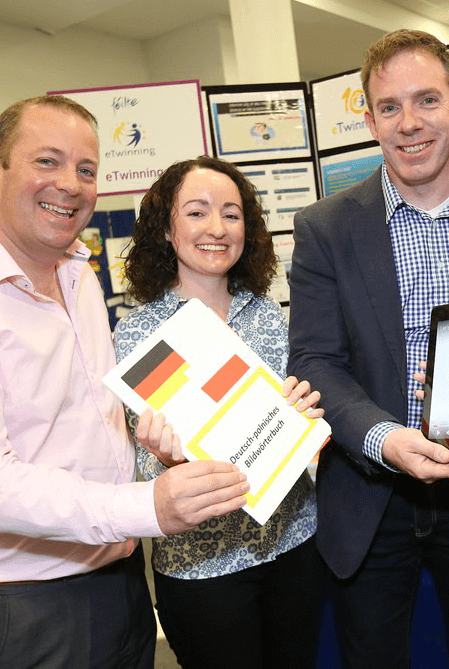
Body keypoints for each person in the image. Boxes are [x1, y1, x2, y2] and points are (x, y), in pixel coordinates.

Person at [0, 96, 253, 668]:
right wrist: (146, 505)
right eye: (46, 162)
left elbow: (84, 420)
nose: (69, 184)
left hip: (117, 571)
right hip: (25, 602)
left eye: (86, 169)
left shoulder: (78, 274)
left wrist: (153, 450)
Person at [288, 29, 449, 669]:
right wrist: (384, 438)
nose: (409, 123)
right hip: (370, 496)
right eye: (389, 107)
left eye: (427, 100)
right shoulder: (324, 228)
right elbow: (313, 362)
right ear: (369, 120)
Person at [113, 155, 325, 669]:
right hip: (204, 568)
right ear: (166, 229)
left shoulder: (267, 313)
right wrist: (165, 461)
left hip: (295, 543)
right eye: (197, 212)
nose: (216, 228)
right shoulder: (139, 335)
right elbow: (142, 473)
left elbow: (293, 435)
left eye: (232, 214)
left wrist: (307, 419)